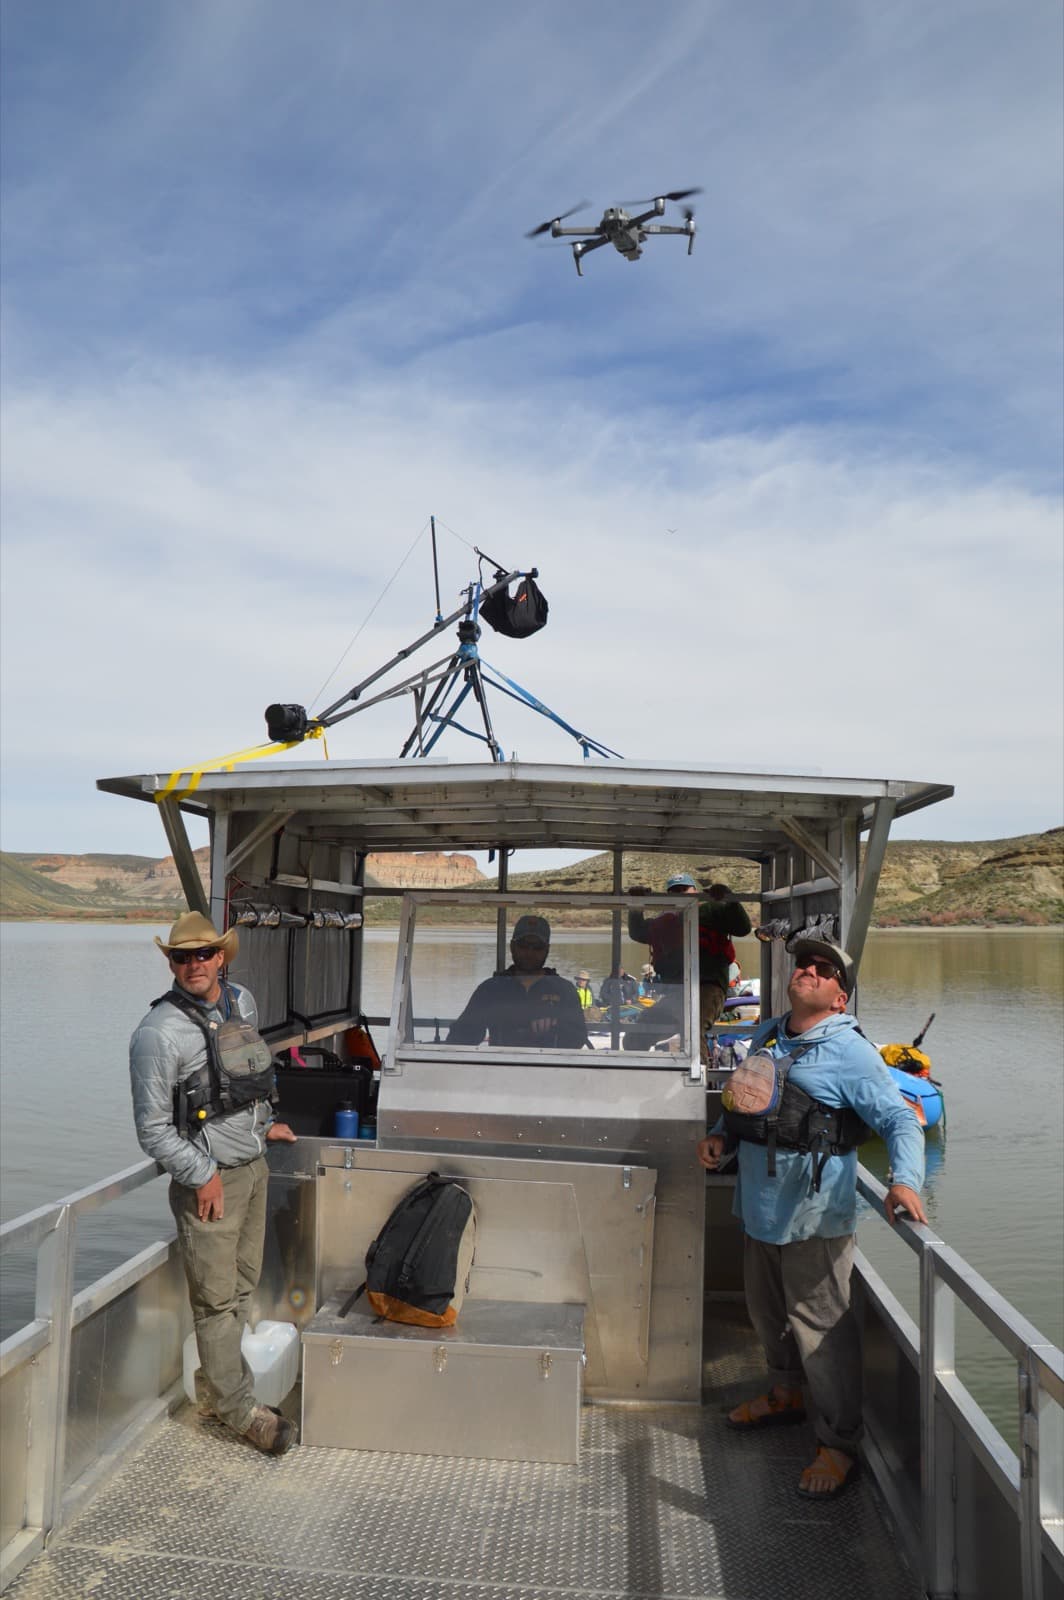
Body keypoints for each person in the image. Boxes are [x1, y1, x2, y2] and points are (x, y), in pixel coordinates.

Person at [697, 937, 928, 1501]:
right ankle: (785, 1394)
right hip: (758, 1206)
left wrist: (904, 1182)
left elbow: (900, 1121)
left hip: (815, 1215)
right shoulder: (769, 1031)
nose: (808, 970)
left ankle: (839, 1442)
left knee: (823, 1330)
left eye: (822, 970)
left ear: (839, 998)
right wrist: (720, 1137)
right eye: (803, 964)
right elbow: (748, 1100)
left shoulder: (850, 1052)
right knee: (766, 1312)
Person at [129, 911, 298, 1455]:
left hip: (254, 1165)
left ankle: (215, 1388)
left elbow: (246, 1074)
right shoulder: (157, 1034)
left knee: (243, 1285)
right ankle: (240, 1411)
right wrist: (201, 1175)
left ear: (222, 956)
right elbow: (153, 1131)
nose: (194, 964)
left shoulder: (241, 1002)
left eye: (204, 954)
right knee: (215, 1301)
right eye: (182, 957)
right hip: (211, 1183)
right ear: (171, 963)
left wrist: (267, 1121)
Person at [626, 873, 752, 1058]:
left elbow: (743, 928)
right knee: (634, 1038)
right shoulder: (664, 922)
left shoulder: (713, 910)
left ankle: (698, 1082)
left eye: (684, 889)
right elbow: (637, 932)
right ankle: (641, 1080)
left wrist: (729, 898)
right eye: (675, 891)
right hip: (676, 991)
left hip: (709, 988)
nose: (681, 894)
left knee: (693, 1030)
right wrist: (635, 905)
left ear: (695, 891)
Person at [447, 915, 588, 1049]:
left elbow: (578, 1039)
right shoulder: (491, 989)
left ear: (547, 950)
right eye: (523, 945)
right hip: (500, 1068)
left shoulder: (564, 989)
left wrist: (555, 1026)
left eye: (537, 947)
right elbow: (460, 1038)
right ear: (512, 947)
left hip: (548, 1068)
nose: (529, 952)